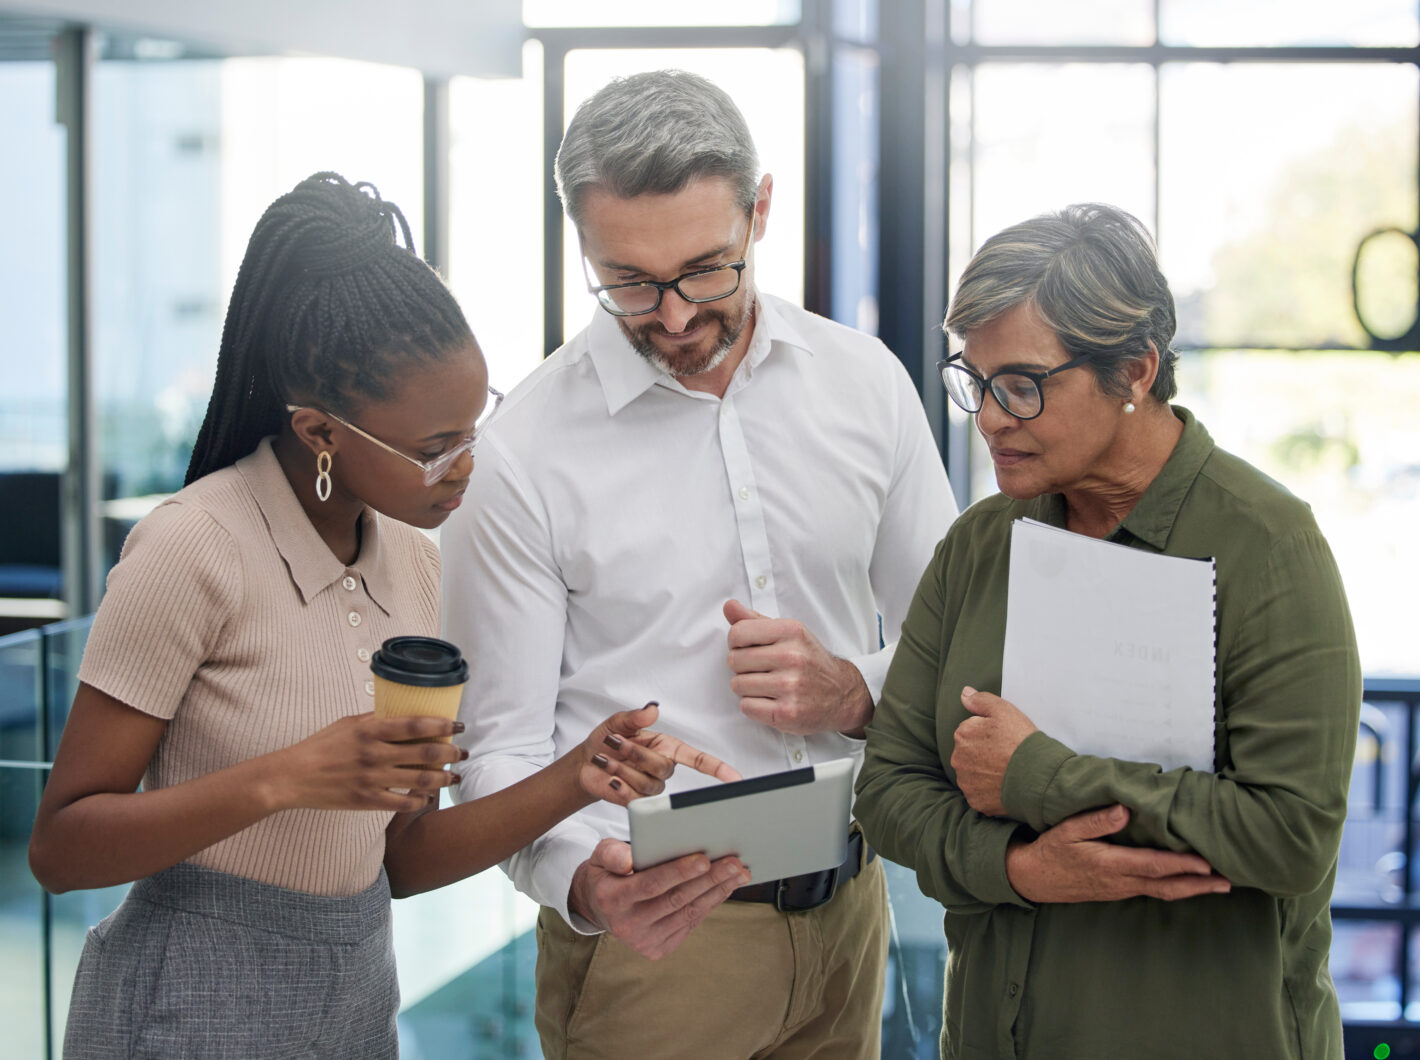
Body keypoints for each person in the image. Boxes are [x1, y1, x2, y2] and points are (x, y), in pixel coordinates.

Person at [27, 172, 732, 1060]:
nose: (467, 469)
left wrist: (578, 775)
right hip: (188, 1007)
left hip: (354, 1001)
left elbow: (399, 859)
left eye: (477, 430)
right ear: (322, 432)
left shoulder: (415, 568)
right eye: (436, 451)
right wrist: (287, 777)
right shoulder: (191, 549)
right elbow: (59, 848)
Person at [441, 70, 957, 1058]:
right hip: (655, 947)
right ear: (582, 246)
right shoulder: (521, 453)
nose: (673, 316)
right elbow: (497, 747)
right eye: (629, 281)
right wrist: (581, 881)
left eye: (705, 270)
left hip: (850, 913)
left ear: (760, 210)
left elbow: (953, 634)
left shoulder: (866, 385)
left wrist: (852, 690)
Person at [853, 202, 1362, 1059]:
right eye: (973, 382)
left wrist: (1040, 777)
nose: (988, 417)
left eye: (1021, 384)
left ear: (1134, 370)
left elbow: (1289, 834)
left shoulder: (1269, 548)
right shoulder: (980, 546)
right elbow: (888, 793)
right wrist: (1017, 871)